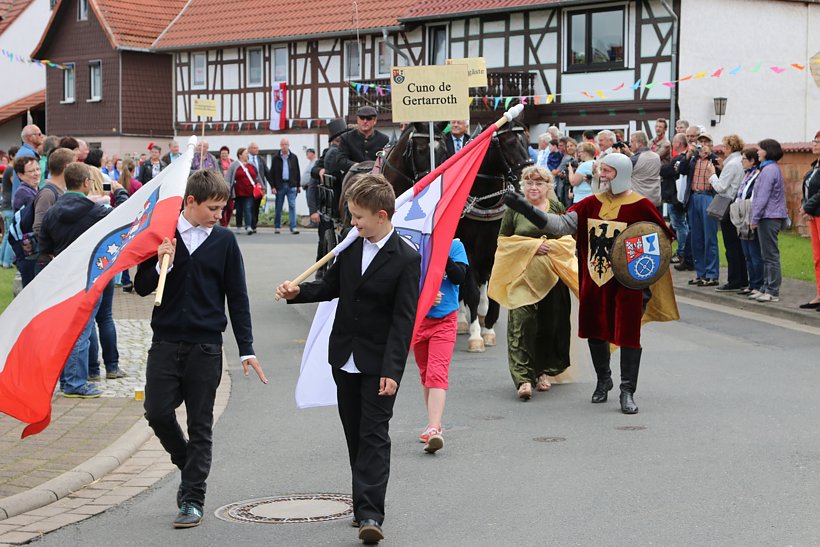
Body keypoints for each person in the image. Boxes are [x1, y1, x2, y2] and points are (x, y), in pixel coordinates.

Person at [276, 174, 420, 544]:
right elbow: (330, 287)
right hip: (344, 357)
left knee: (374, 435)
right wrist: (296, 293)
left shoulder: (406, 258)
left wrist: (393, 370)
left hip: (379, 364)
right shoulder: (350, 246)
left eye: (358, 217)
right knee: (355, 434)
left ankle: (371, 513)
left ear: (382, 215)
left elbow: (403, 320)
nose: (353, 223)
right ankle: (362, 502)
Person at [135, 170, 267, 528]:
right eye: (213, 208)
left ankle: (193, 499)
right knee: (157, 413)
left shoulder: (224, 241)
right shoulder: (164, 234)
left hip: (206, 347)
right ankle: (186, 463)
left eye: (222, 209)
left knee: (200, 425)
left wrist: (247, 348)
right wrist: (161, 261)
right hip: (165, 342)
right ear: (190, 202)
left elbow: (237, 297)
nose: (219, 216)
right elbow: (142, 286)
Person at [504, 153, 675, 414]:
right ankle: (603, 380)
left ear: (621, 173)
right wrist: (527, 209)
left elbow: (660, 243)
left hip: (627, 285)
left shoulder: (641, 206)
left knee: (629, 335)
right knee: (595, 332)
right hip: (596, 280)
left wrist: (642, 279)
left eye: (607, 171)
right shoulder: (590, 204)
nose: (601, 176)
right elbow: (560, 225)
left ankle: (627, 391)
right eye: (601, 170)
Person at [39, 162, 129, 398]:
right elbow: (124, 215)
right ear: (86, 182)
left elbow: (44, 248)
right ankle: (74, 382)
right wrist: (120, 190)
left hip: (62, 277)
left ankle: (68, 378)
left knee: (67, 328)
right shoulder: (95, 211)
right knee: (81, 329)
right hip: (90, 276)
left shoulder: (52, 212)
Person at [496, 166, 571, 400]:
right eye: (529, 183)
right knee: (521, 324)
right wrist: (532, 246)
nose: (534, 187)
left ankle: (542, 372)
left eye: (539, 183)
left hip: (552, 278)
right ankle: (523, 379)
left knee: (549, 326)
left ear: (548, 187)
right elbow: (503, 241)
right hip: (521, 277)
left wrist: (551, 246)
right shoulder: (514, 210)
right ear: (523, 186)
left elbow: (568, 240)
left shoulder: (556, 208)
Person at [412, 238, 467, 453]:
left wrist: (441, 253)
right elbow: (404, 281)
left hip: (445, 320)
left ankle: (434, 428)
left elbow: (459, 277)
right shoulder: (415, 244)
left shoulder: (455, 246)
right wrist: (425, 297)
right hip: (419, 319)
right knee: (426, 374)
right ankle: (432, 424)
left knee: (437, 373)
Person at [85, 167, 128, 381]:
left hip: (87, 268)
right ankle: (112, 366)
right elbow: (125, 209)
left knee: (90, 320)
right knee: (106, 318)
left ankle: (93, 369)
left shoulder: (82, 207)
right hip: (105, 264)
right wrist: (118, 189)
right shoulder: (105, 208)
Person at [750, 139, 788, 303]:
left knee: (770, 255)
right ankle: (766, 287)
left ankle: (772, 290)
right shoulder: (768, 168)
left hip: (769, 216)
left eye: (760, 149)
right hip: (767, 216)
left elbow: (762, 197)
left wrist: (754, 218)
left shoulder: (769, 170)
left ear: (767, 151)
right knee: (766, 254)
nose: (757, 152)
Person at [710, 135, 748, 292]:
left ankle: (734, 279)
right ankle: (743, 278)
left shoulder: (732, 164)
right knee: (738, 244)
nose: (723, 149)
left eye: (725, 146)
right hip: (737, 204)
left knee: (731, 244)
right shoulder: (739, 161)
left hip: (728, 204)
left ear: (730, 148)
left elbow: (721, 187)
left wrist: (712, 175)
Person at [685, 133, 721, 287]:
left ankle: (712, 274)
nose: (703, 145)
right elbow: (680, 170)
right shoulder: (693, 158)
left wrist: (710, 154)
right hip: (694, 197)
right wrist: (689, 154)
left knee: (709, 237)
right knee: (696, 238)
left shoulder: (714, 159)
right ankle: (701, 273)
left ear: (711, 144)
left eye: (706, 142)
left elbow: (721, 173)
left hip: (708, 197)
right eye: (701, 142)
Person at [733, 148, 764, 298]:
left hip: (750, 215)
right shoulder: (747, 174)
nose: (742, 161)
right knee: (747, 253)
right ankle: (752, 283)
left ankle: (758, 284)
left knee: (754, 252)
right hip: (742, 215)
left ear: (752, 161)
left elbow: (754, 196)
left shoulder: (758, 175)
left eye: (744, 159)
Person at [10, 156, 42, 286]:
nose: (36, 173)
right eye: (31, 171)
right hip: (28, 250)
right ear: (21, 175)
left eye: (38, 169)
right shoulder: (23, 193)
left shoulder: (36, 190)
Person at [663, 133, 693, 270]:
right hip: (677, 196)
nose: (672, 144)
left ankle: (682, 252)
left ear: (679, 144)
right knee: (680, 224)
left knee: (679, 225)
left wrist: (665, 167)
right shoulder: (682, 157)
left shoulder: (680, 158)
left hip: (675, 197)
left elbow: (666, 170)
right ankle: (682, 251)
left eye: (674, 142)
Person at [337, 105, 389, 180]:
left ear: (375, 121)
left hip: (376, 178)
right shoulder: (346, 138)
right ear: (357, 120)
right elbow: (341, 160)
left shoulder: (383, 139)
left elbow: (386, 161)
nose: (365, 121)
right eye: (362, 118)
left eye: (369, 118)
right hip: (353, 177)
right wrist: (357, 166)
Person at [799, 131, 820, 310]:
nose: (814, 144)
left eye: (818, 142)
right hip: (814, 215)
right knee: (817, 257)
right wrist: (804, 206)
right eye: (814, 141)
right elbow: (807, 190)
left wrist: (807, 207)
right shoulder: (814, 166)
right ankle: (819, 294)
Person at [225, 147, 258, 235]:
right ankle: (239, 226)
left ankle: (248, 226)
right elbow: (228, 177)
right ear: (240, 155)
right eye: (245, 153)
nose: (247, 155)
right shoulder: (234, 165)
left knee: (248, 208)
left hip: (250, 191)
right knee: (239, 209)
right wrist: (227, 188)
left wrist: (261, 186)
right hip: (238, 192)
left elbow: (257, 176)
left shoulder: (251, 164)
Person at [271, 138, 301, 234]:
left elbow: (297, 171)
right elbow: (272, 173)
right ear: (280, 145)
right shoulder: (275, 158)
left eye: (286, 144)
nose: (284, 146)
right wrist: (273, 186)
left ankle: (293, 227)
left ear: (288, 145)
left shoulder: (293, 157)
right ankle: (277, 226)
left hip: (291, 184)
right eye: (283, 144)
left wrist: (298, 185)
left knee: (292, 206)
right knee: (278, 207)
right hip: (280, 185)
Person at [628, 130, 662, 208]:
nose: (630, 144)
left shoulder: (633, 160)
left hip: (639, 200)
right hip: (654, 199)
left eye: (632, 141)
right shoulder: (656, 156)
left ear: (639, 143)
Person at [12, 124, 43, 198]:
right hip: (26, 198)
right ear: (30, 138)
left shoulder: (24, 151)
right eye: (39, 134)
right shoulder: (28, 155)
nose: (42, 136)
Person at [1, 145, 20, 268]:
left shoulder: (8, 169)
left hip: (5, 206)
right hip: (9, 206)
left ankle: (2, 260)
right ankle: (7, 262)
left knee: (7, 234)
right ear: (12, 156)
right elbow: (16, 185)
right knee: (10, 234)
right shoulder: (11, 169)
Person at [301, 148, 319, 227]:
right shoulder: (310, 163)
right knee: (310, 203)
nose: (307, 155)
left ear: (312, 153)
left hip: (311, 186)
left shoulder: (315, 162)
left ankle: (314, 222)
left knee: (312, 203)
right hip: (307, 186)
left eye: (308, 153)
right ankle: (313, 221)